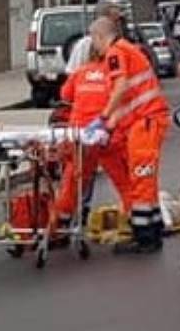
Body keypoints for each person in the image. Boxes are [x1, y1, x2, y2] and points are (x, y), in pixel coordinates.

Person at [87, 18, 170, 253]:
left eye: (94, 40)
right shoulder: (127, 50)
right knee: (145, 179)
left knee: (140, 179)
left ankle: (144, 237)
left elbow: (120, 88)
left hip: (145, 122)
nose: (95, 46)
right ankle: (152, 228)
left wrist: (103, 117)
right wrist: (110, 124)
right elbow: (128, 99)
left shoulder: (115, 53)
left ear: (101, 36)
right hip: (145, 121)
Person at [52, 47, 133, 232]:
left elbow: (65, 95)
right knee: (124, 181)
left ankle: (61, 223)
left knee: (73, 181)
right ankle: (135, 220)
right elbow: (123, 98)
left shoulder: (80, 72)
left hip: (81, 134)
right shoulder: (114, 74)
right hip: (106, 134)